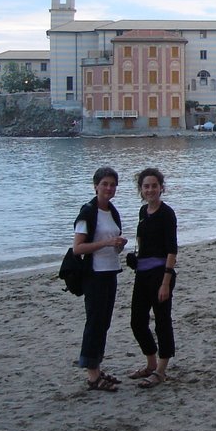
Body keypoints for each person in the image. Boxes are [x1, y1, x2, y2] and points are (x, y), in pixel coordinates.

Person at [73, 166, 127, 392]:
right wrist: (106, 243)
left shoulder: (112, 212)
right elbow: (78, 248)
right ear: (96, 186)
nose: (109, 188)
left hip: (110, 271)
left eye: (112, 184)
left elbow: (113, 244)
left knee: (103, 322)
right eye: (104, 184)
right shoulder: (87, 212)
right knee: (94, 322)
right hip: (94, 274)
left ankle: (96, 365)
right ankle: (92, 375)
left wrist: (118, 245)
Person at [128, 167, 179, 390]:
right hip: (143, 273)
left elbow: (171, 250)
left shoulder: (167, 214)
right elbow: (144, 244)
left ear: (161, 188)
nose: (150, 190)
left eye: (154, 186)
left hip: (161, 274)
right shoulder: (143, 212)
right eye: (146, 186)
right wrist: (135, 259)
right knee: (137, 321)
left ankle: (161, 369)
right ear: (141, 189)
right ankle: (150, 363)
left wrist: (166, 282)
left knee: (162, 322)